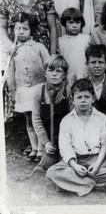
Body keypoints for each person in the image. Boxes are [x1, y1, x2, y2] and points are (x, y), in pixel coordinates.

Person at [46, 79, 106, 196]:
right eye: (79, 97)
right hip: (75, 160)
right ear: (72, 100)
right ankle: (98, 185)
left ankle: (72, 183)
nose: (83, 100)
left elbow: (104, 144)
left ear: (93, 98)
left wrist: (97, 164)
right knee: (52, 172)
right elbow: (65, 147)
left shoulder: (102, 118)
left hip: (95, 159)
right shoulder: (66, 121)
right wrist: (75, 166)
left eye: (86, 97)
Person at [5, 13, 51, 162]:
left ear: (32, 30)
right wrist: (13, 90)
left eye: (24, 28)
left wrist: (49, 86)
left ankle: (41, 148)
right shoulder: (13, 51)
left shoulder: (39, 47)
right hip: (22, 90)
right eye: (17, 28)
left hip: (38, 89)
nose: (21, 31)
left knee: (39, 119)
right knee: (29, 120)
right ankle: (34, 147)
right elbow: (10, 72)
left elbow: (49, 65)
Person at [31, 55, 71, 169]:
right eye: (50, 70)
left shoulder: (68, 90)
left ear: (64, 75)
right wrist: (46, 142)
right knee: (47, 164)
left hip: (66, 137)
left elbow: (74, 119)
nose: (54, 74)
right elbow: (36, 120)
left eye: (58, 71)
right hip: (49, 139)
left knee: (67, 164)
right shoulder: (39, 91)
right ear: (45, 73)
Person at [58, 8, 90, 86]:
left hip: (83, 74)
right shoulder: (60, 41)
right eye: (71, 22)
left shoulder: (87, 39)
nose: (74, 25)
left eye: (77, 22)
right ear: (64, 23)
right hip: (68, 76)